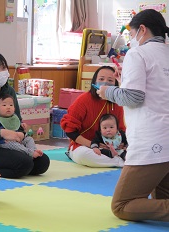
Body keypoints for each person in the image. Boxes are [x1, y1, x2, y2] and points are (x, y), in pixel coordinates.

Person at [97, 9, 169, 221]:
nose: (130, 39)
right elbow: (155, 91)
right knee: (160, 197)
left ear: (143, 30)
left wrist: (106, 91)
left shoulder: (138, 54)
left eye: (131, 33)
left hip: (152, 138)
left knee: (121, 205)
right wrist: (122, 84)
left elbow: (134, 98)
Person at [60, 65, 126, 168]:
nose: (105, 82)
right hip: (84, 146)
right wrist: (93, 144)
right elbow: (70, 131)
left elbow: (121, 129)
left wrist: (123, 143)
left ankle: (119, 159)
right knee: (83, 155)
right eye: (101, 79)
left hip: (113, 146)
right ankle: (120, 162)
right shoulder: (83, 100)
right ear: (94, 82)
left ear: (116, 84)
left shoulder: (117, 103)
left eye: (110, 80)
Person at [0, 94, 43, 159]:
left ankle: (33, 150)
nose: (8, 107)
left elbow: (16, 125)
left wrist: (22, 124)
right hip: (5, 142)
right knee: (14, 145)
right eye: (4, 105)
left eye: (11, 105)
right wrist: (2, 139)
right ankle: (30, 153)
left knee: (29, 139)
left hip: (18, 138)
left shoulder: (14, 117)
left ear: (14, 108)